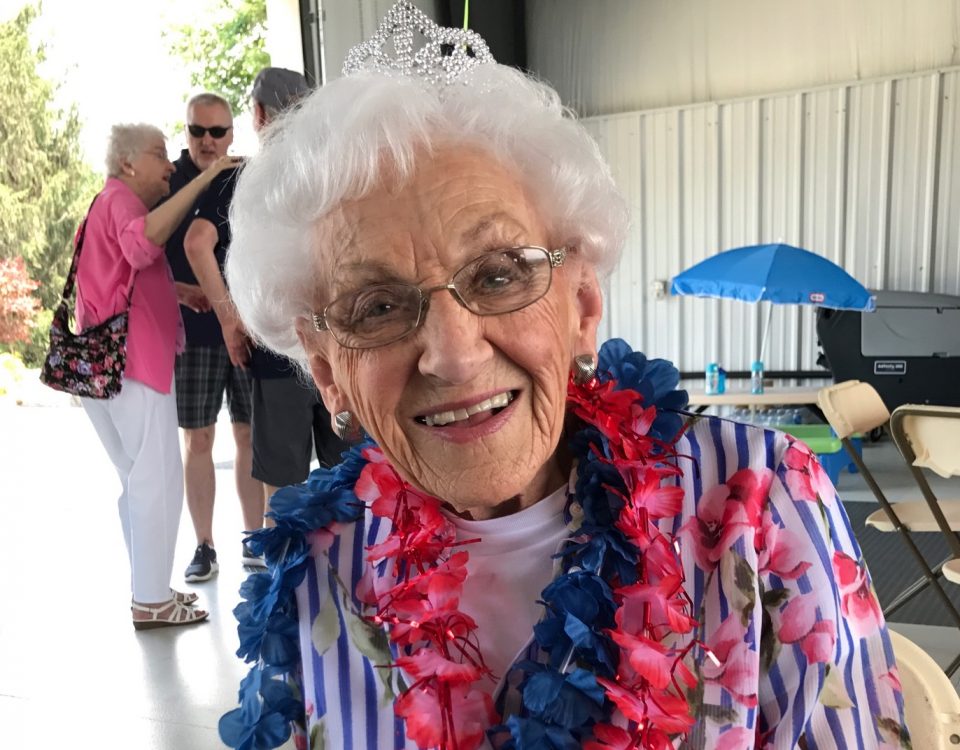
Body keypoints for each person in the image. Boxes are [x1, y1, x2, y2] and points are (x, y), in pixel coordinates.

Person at [219, 4, 907, 748]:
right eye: (377, 306)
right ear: (327, 371)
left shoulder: (756, 501)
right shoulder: (312, 568)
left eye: (497, 273)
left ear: (582, 304)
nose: (453, 353)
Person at [75, 123, 236, 629]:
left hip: (112, 366)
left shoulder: (111, 203)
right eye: (159, 155)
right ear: (127, 164)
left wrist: (181, 293)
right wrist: (204, 180)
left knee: (139, 480)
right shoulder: (121, 201)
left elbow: (128, 272)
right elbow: (143, 246)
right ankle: (149, 599)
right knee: (155, 480)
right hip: (133, 366)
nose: (169, 166)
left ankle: (150, 589)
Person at [167, 93, 264, 582]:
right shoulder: (168, 182)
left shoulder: (244, 177)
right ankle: (204, 545)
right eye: (198, 131)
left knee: (248, 434)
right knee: (198, 438)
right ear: (185, 131)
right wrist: (177, 290)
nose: (208, 141)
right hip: (194, 335)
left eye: (218, 131)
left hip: (245, 329)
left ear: (232, 132)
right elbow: (138, 253)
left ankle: (254, 539)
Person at [246, 67, 349, 516]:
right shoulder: (342, 171)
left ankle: (283, 587)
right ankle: (364, 580)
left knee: (282, 488)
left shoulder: (252, 183)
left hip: (280, 348)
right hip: (342, 342)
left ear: (258, 115)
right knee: (351, 476)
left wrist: (238, 321)